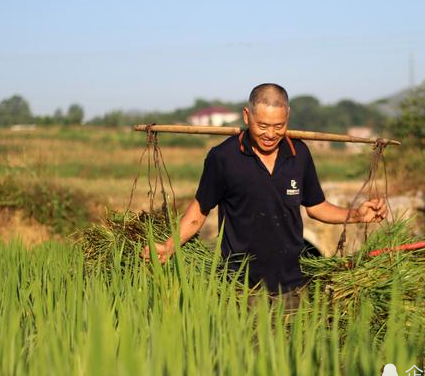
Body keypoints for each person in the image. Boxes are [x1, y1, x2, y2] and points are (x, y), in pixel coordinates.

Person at [142, 83, 387, 299]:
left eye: (279, 126)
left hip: (292, 288)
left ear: (288, 117)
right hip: (240, 289)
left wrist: (357, 215)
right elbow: (199, 211)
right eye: (263, 126)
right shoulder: (223, 157)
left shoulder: (298, 154)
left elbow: (316, 207)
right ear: (247, 116)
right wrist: (169, 246)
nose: (271, 134)